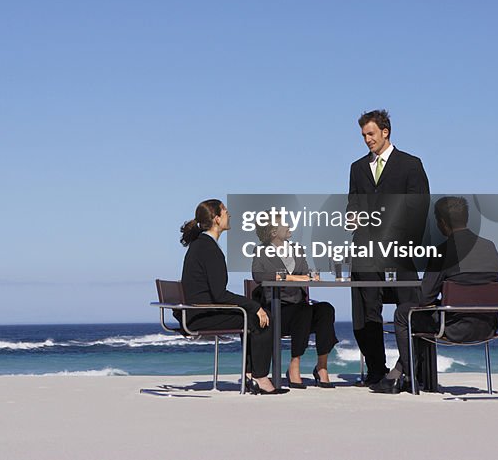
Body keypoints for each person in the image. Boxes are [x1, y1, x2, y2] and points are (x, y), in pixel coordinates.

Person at [371, 196, 498, 394]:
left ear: (442, 223)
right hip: (488, 325)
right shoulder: (489, 247)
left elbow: (424, 299)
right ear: (465, 218)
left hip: (454, 328)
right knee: (422, 314)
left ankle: (408, 376)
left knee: (404, 314)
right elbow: (480, 288)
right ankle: (397, 374)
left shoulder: (443, 251)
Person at [347, 109, 430, 386]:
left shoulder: (410, 164)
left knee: (410, 308)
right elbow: (353, 204)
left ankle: (408, 369)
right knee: (365, 313)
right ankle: (376, 370)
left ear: (385, 132)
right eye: (363, 135)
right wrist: (352, 217)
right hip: (365, 254)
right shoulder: (357, 168)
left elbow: (419, 210)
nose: (367, 139)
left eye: (371, 134)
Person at [178, 199, 286, 394]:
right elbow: (220, 294)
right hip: (201, 314)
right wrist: (254, 306)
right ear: (217, 219)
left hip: (200, 311)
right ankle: (260, 378)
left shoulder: (203, 245)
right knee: (261, 318)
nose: (230, 215)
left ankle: (250, 375)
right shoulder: (207, 248)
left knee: (252, 318)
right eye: (226, 212)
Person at [251, 218, 339, 388]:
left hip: (300, 308)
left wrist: (313, 277)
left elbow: (306, 274)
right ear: (273, 232)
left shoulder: (297, 250)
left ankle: (321, 367)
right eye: (284, 224)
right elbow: (258, 276)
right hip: (278, 311)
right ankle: (294, 365)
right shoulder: (261, 251)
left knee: (326, 309)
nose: (289, 226)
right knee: (303, 311)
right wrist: (290, 277)